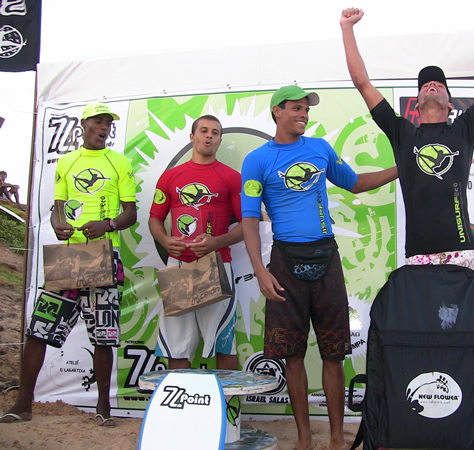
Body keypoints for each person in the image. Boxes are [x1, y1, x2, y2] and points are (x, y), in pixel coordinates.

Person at [241, 85, 398, 450]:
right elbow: (249, 220)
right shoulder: (257, 160)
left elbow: (356, 183)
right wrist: (261, 272)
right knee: (292, 356)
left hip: (326, 258)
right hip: (284, 262)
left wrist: (400, 168)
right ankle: (304, 438)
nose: (304, 114)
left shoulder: (320, 149)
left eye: (306, 110)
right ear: (277, 111)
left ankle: (336, 440)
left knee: (333, 353)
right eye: (296, 108)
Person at [341, 0, 474, 270]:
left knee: (467, 315)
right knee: (422, 315)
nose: (432, 85)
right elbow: (362, 82)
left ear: (450, 104)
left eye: (439, 84)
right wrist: (347, 28)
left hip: (461, 251)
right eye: (425, 85)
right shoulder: (402, 133)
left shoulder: (464, 129)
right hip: (419, 253)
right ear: (416, 102)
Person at [0, 102, 137, 426]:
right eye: (98, 122)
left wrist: (108, 224)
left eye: (107, 124)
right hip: (69, 258)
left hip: (104, 252)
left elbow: (130, 213)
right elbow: (56, 208)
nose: (103, 128)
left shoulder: (119, 162)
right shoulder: (66, 161)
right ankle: (23, 403)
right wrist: (58, 223)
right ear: (83, 125)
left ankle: (104, 407)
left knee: (103, 336)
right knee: (39, 330)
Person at [149, 115, 242, 371]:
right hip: (178, 266)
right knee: (176, 346)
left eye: (215, 132)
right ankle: (180, 408)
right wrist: (166, 240)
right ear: (192, 137)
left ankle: (227, 410)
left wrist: (217, 242)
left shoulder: (232, 177)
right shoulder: (169, 177)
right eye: (204, 130)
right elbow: (154, 219)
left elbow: (249, 225)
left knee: (224, 343)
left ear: (220, 140)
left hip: (217, 265)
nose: (209, 136)